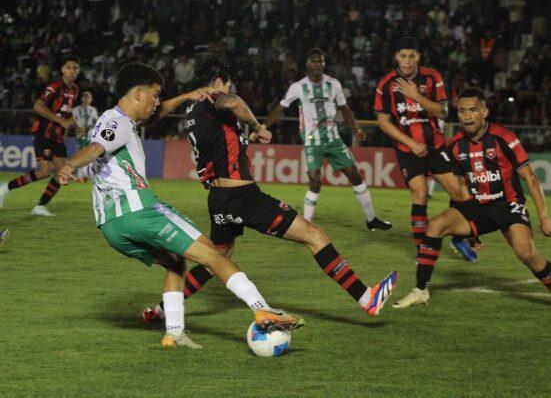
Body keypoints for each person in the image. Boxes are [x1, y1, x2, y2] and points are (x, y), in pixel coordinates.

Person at [57, 62, 304, 348]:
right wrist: (70, 165)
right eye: (155, 94)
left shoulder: (115, 118)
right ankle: (262, 309)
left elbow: (152, 116)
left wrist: (187, 96)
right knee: (213, 254)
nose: (157, 102)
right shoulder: (118, 122)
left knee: (175, 260)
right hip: (140, 211)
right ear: (138, 93)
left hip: (112, 226)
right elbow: (97, 148)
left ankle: (174, 333)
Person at [142, 53, 397, 324]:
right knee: (314, 234)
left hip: (218, 199)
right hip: (243, 197)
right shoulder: (216, 99)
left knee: (215, 259)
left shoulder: (194, 109)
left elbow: (173, 122)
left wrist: (242, 134)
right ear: (218, 81)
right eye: (227, 84)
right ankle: (366, 298)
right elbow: (233, 102)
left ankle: (159, 311)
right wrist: (256, 124)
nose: (228, 89)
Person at [393, 88, 551, 308]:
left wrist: (544, 217)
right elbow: (460, 188)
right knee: (435, 226)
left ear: (484, 112)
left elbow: (531, 178)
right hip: (478, 206)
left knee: (526, 252)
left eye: (473, 110)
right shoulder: (455, 145)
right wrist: (466, 225)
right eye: (462, 111)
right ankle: (420, 290)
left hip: (507, 204)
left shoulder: (504, 137)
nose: (467, 115)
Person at [263, 48, 392, 231]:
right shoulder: (298, 87)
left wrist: (355, 129)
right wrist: (263, 126)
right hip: (312, 141)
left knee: (354, 175)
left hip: (333, 139)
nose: (319, 65)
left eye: (322, 61)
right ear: (308, 64)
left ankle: (371, 219)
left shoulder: (334, 84)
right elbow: (280, 108)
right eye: (315, 61)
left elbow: (345, 109)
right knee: (315, 181)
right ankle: (306, 225)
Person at [374, 37, 477, 261]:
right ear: (396, 57)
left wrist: (416, 96)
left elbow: (442, 112)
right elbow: (383, 121)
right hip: (406, 148)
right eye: (403, 56)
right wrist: (411, 144)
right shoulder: (386, 84)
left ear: (418, 57)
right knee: (420, 193)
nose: (408, 61)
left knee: (460, 194)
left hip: (435, 145)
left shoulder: (432, 77)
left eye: (412, 56)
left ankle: (457, 237)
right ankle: (422, 249)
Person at [0, 55, 80, 216]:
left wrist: (77, 126)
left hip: (57, 137)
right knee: (43, 172)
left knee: (62, 173)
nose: (72, 71)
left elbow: (67, 112)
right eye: (69, 67)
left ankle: (40, 206)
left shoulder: (75, 90)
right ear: (62, 70)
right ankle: (5, 188)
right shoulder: (55, 86)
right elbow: (38, 106)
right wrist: (59, 120)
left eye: (75, 68)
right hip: (44, 133)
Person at [71, 91, 98, 181]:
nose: (87, 99)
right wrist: (78, 129)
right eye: (85, 97)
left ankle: (85, 175)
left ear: (91, 99)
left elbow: (96, 121)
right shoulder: (75, 110)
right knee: (81, 155)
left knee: (90, 155)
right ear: (82, 98)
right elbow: (71, 121)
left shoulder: (93, 110)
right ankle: (80, 176)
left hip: (90, 136)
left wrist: (87, 129)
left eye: (88, 98)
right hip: (80, 136)